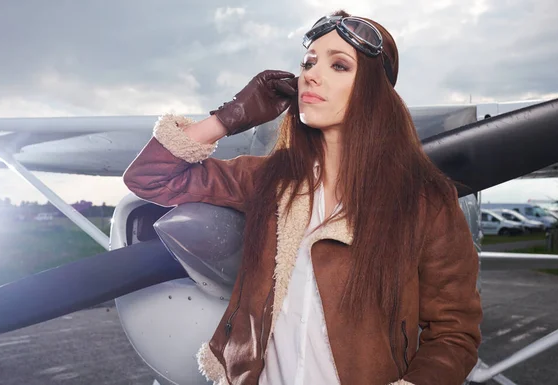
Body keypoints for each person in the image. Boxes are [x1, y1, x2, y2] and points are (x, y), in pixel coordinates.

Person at [123, 9, 483, 385]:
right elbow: (149, 178)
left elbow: (455, 334)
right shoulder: (267, 178)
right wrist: (230, 116)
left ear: (374, 93)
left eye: (339, 66)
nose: (310, 74)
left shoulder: (426, 200)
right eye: (308, 62)